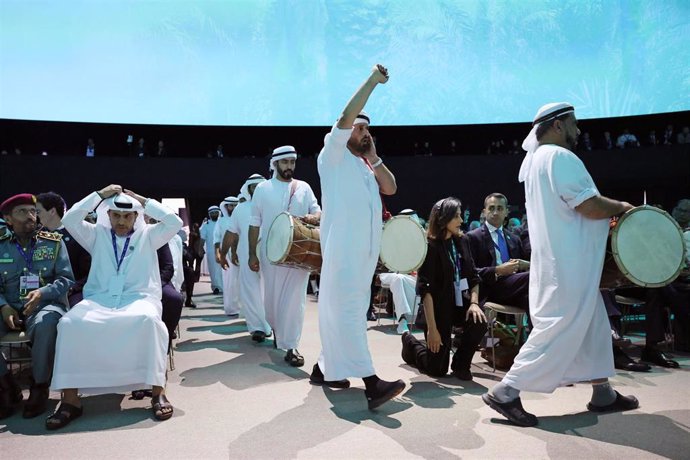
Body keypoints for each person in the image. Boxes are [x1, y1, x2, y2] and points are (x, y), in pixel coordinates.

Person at [483, 102, 639, 427]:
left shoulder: (538, 161)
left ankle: (603, 393)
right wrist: (623, 207)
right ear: (557, 125)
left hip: (562, 263)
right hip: (568, 265)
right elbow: (588, 205)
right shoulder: (559, 157)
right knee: (556, 328)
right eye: (574, 124)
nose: (578, 130)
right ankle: (506, 392)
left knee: (593, 322)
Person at [48, 184, 182, 430]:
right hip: (100, 299)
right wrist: (99, 195)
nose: (121, 221)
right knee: (69, 324)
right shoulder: (95, 234)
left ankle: (158, 391)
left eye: (128, 215)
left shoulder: (149, 235)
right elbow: (70, 217)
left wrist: (142, 198)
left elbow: (173, 222)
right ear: (107, 214)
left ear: (136, 216)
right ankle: (70, 400)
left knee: (149, 322)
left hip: (138, 299)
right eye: (116, 215)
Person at [313, 64, 405, 409]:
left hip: (363, 254)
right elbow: (344, 115)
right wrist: (372, 82)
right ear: (346, 131)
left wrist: (374, 157)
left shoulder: (366, 165)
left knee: (343, 309)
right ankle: (371, 383)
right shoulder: (332, 156)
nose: (364, 132)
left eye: (368, 129)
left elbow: (391, 188)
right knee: (351, 311)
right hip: (344, 251)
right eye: (359, 128)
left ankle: (324, 368)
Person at [0, 194, 74, 420]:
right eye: (22, 212)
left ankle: (39, 387)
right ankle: (6, 386)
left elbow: (66, 279)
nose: (30, 216)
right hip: (8, 307)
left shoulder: (53, 242)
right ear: (8, 219)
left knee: (47, 323)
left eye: (32, 211)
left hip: (44, 304)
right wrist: (3, 306)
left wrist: (42, 292)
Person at [248, 146, 321, 367]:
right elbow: (254, 224)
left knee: (295, 300)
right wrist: (252, 253)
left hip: (299, 252)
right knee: (271, 299)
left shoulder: (304, 188)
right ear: (275, 163)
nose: (289, 166)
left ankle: (291, 346)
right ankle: (278, 331)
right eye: (285, 162)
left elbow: (318, 210)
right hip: (270, 253)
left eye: (292, 162)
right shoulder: (262, 188)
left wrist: (314, 217)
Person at [401, 197, 487, 381]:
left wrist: (474, 303)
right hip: (438, 309)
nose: (461, 221)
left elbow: (473, 277)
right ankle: (411, 344)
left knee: (479, 320)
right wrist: (432, 329)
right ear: (443, 218)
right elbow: (426, 290)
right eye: (456, 216)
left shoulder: (463, 241)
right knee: (437, 369)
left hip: (459, 303)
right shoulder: (430, 247)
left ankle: (461, 364)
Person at [221, 174, 271, 341]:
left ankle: (272, 325)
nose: (256, 189)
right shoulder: (241, 209)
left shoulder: (272, 206)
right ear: (248, 189)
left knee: (270, 291)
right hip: (246, 255)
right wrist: (224, 253)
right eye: (253, 187)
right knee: (250, 291)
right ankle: (257, 328)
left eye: (259, 186)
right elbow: (230, 233)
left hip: (271, 255)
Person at [465, 193, 530, 313]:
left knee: (532, 300)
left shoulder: (514, 239)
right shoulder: (473, 237)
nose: (495, 212)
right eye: (491, 208)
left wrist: (525, 264)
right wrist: (497, 270)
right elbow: (471, 272)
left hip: (513, 288)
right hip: (489, 288)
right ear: (484, 212)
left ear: (506, 212)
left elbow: (521, 269)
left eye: (500, 208)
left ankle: (532, 332)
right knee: (533, 276)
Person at [36, 191, 92, 306]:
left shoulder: (76, 235)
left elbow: (89, 272)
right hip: (43, 293)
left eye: (38, 211)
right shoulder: (37, 238)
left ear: (52, 211)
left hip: (73, 292)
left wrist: (73, 288)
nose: (35, 216)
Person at [215, 197, 239, 315]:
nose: (233, 208)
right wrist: (218, 254)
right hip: (227, 256)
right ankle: (231, 309)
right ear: (226, 207)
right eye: (231, 206)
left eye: (235, 205)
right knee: (229, 282)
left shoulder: (241, 218)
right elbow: (217, 238)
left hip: (242, 254)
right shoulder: (221, 221)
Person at [200, 206, 223, 293]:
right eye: (212, 213)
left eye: (216, 212)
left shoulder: (222, 222)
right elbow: (202, 238)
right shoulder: (206, 225)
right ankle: (216, 287)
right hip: (211, 251)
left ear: (219, 213)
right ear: (209, 214)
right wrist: (200, 248)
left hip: (224, 250)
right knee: (213, 270)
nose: (214, 214)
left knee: (223, 269)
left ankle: (225, 287)